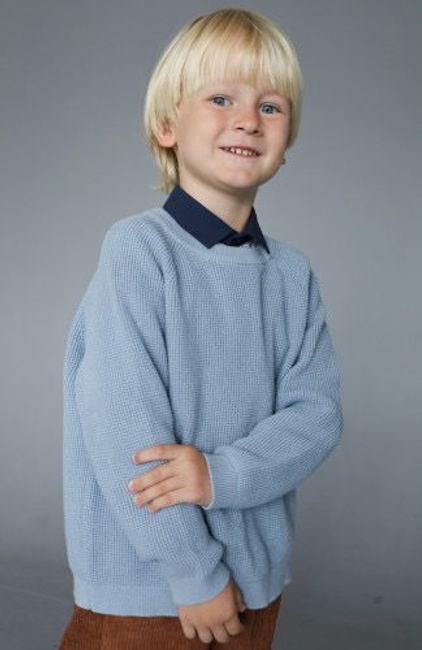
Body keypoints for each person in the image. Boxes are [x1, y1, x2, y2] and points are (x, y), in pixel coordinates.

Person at [59, 7, 342, 649]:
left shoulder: (291, 275)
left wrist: (221, 475)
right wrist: (193, 571)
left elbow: (317, 415)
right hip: (156, 588)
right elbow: (123, 429)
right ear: (167, 125)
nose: (248, 119)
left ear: (286, 143)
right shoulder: (139, 251)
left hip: (256, 584)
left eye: (270, 106)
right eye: (221, 99)